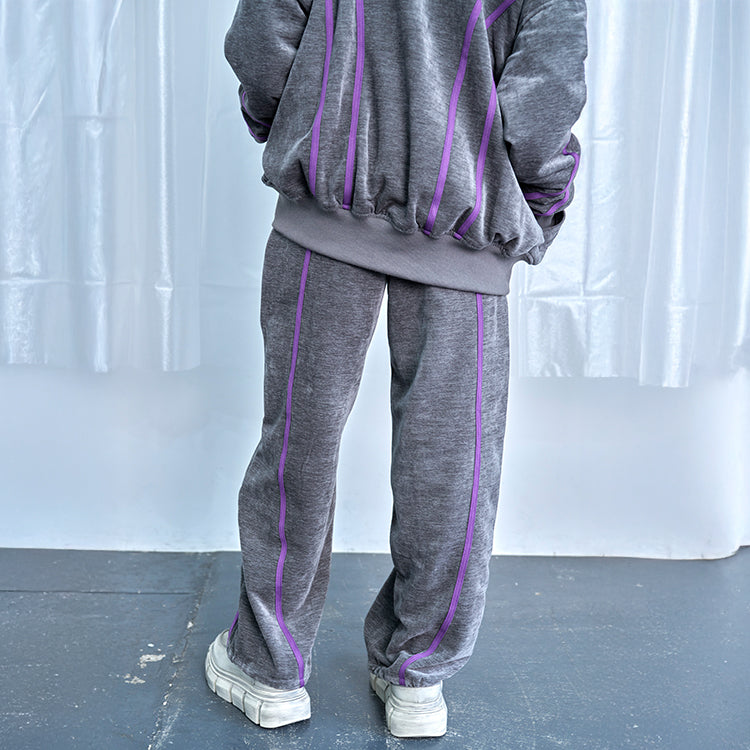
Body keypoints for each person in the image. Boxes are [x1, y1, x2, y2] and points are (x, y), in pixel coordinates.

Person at [205, 0, 587, 738]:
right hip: (468, 233)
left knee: (298, 444)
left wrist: (306, 128)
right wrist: (535, 204)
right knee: (452, 463)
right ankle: (418, 676)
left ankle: (268, 666)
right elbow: (543, 99)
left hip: (323, 215)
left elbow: (262, 42)